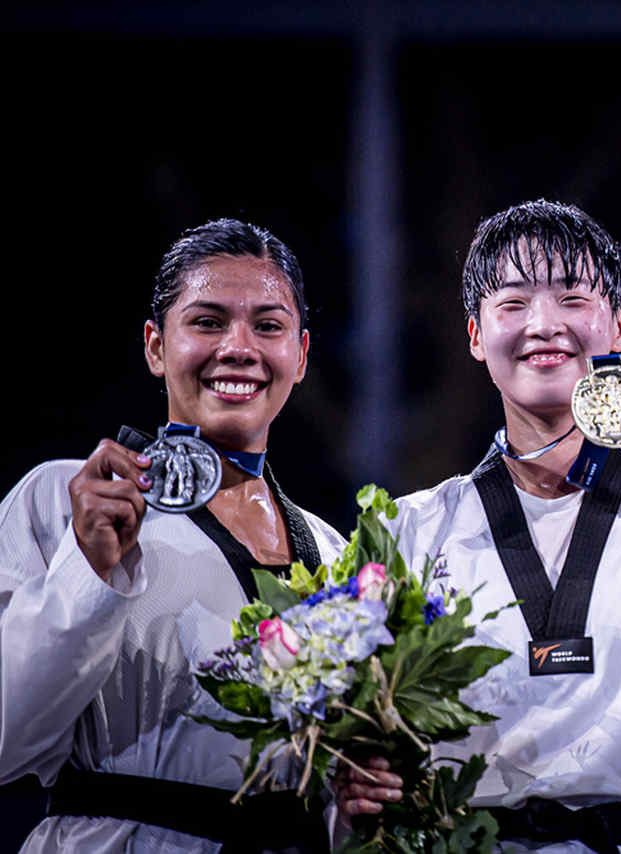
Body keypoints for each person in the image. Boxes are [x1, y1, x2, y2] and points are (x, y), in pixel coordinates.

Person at [337, 199, 621, 852]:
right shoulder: (411, 529)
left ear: (619, 327)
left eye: (573, 298)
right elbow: (370, 743)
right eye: (513, 304)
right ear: (474, 334)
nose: (544, 325)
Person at [0, 219, 346, 852]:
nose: (239, 347)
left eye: (267, 326)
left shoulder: (336, 553)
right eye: (208, 322)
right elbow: (4, 742)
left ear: (299, 356)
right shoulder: (61, 499)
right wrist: (88, 568)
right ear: (156, 347)